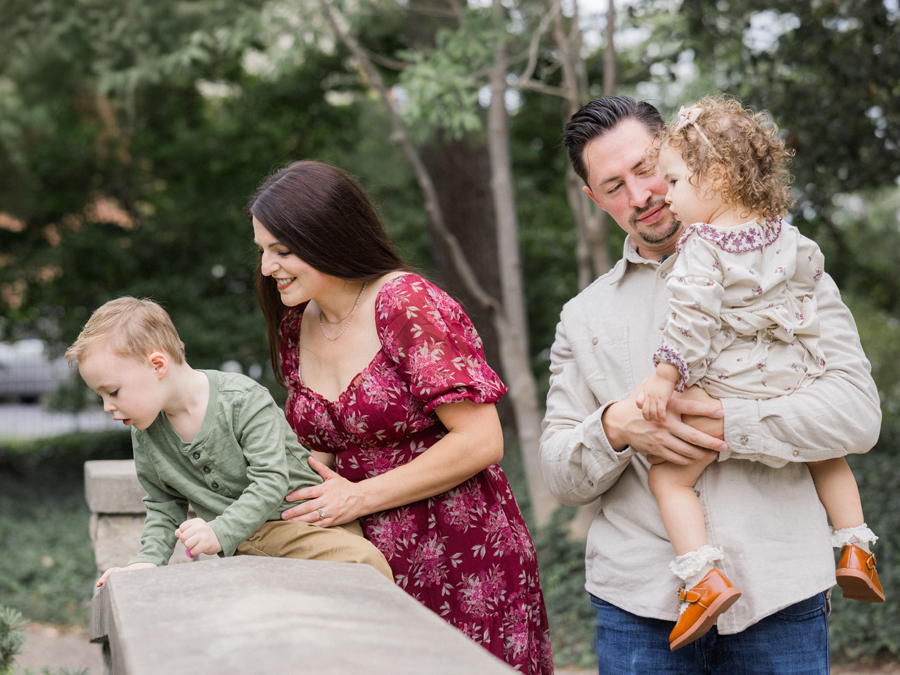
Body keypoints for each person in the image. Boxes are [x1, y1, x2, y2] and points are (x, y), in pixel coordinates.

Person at [540, 95, 882, 674]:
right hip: (638, 607)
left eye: (648, 168)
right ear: (594, 198)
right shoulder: (583, 316)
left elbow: (856, 416)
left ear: (682, 156)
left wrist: (730, 421)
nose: (642, 194)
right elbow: (559, 474)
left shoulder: (788, 267)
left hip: (781, 597)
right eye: (615, 184)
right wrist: (613, 428)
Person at [247, 160, 553, 674]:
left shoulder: (405, 302)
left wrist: (357, 496)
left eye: (282, 250)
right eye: (261, 250)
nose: (266, 268)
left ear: (328, 237)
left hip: (459, 554)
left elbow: (482, 440)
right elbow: (313, 452)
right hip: (356, 560)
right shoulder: (298, 322)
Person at [633, 97, 883, 651]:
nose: (665, 194)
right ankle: (855, 546)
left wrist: (664, 377)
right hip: (794, 377)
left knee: (668, 477)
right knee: (825, 453)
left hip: (731, 387)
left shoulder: (701, 246)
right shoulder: (788, 237)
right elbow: (809, 285)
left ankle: (702, 578)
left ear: (716, 177)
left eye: (674, 180)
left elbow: (692, 321)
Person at [66, 296, 392, 587]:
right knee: (363, 566)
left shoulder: (242, 401)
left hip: (306, 520)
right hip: (260, 535)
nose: (107, 406)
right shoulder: (145, 431)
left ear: (157, 365)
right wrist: (146, 560)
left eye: (112, 392)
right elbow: (163, 504)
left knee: (365, 566)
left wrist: (218, 531)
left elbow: (270, 480)